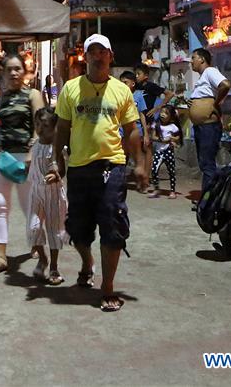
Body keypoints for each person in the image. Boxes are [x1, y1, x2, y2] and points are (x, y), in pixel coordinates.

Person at [53, 34, 148, 312]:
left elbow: (132, 130)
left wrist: (140, 163)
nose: (97, 56)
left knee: (113, 225)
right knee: (77, 229)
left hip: (112, 165)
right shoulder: (71, 89)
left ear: (111, 55)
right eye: (92, 52)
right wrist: (58, 159)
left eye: (102, 51)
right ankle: (87, 262)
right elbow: (62, 127)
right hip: (79, 167)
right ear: (85, 57)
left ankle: (107, 287)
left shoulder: (122, 91)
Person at [0, 54, 46, 276]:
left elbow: (41, 123)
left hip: (24, 159)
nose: (13, 73)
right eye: (9, 69)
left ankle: (40, 253)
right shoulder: (3, 97)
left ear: (24, 70)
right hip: (1, 157)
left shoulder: (33, 94)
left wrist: (32, 152)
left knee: (30, 207)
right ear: (3, 72)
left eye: (17, 68)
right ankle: (0, 257)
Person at [28, 108, 68, 285]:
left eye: (45, 126)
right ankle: (42, 258)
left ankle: (54, 266)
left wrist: (56, 174)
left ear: (54, 128)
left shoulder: (56, 148)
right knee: (33, 228)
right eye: (37, 124)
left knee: (54, 232)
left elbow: (62, 168)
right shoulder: (35, 144)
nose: (40, 129)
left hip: (53, 195)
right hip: (36, 192)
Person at [186, 49, 231, 193]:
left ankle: (209, 199)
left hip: (209, 127)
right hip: (202, 127)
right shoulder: (202, 78)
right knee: (205, 164)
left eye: (193, 58)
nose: (191, 61)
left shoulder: (210, 71)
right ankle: (212, 194)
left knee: (207, 164)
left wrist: (216, 103)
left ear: (202, 60)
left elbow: (225, 85)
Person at [148, 105, 182, 199]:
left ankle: (172, 191)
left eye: (166, 113)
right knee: (154, 169)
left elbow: (178, 137)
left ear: (171, 116)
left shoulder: (173, 127)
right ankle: (156, 189)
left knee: (171, 171)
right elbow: (153, 137)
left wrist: (172, 139)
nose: (163, 114)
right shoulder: (156, 125)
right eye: (162, 112)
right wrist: (161, 140)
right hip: (159, 151)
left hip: (168, 151)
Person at [120, 71, 151, 164]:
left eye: (125, 82)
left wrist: (145, 134)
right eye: (121, 83)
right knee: (123, 156)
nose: (122, 85)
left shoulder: (138, 95)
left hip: (136, 130)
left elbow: (142, 115)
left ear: (133, 83)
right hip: (121, 130)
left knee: (138, 156)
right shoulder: (119, 96)